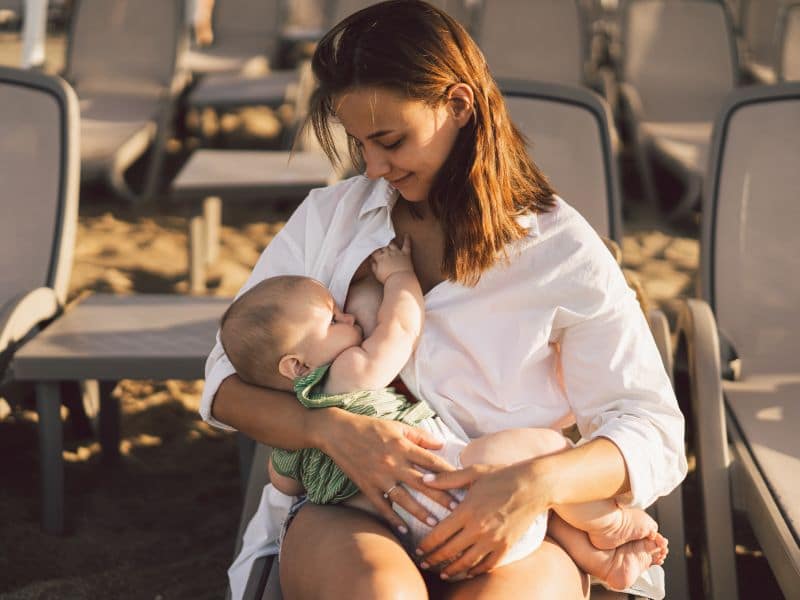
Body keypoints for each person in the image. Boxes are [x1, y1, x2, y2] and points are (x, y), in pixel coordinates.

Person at [202, 1, 688, 597]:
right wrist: (327, 430)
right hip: (351, 512)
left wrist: (530, 485)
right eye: (361, 146)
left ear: (457, 104)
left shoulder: (559, 250)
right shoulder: (330, 220)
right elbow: (224, 379)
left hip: (516, 526)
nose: (375, 168)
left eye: (391, 140)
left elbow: (652, 429)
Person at [218, 241, 668, 591]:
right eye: (334, 320)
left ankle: (597, 557)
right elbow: (401, 329)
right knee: (540, 451)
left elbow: (284, 483)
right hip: (442, 482)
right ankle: (607, 527)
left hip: (384, 520)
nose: (349, 320)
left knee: (533, 491)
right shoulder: (349, 370)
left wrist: (312, 446)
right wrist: (399, 278)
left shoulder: (294, 425)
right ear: (296, 366)